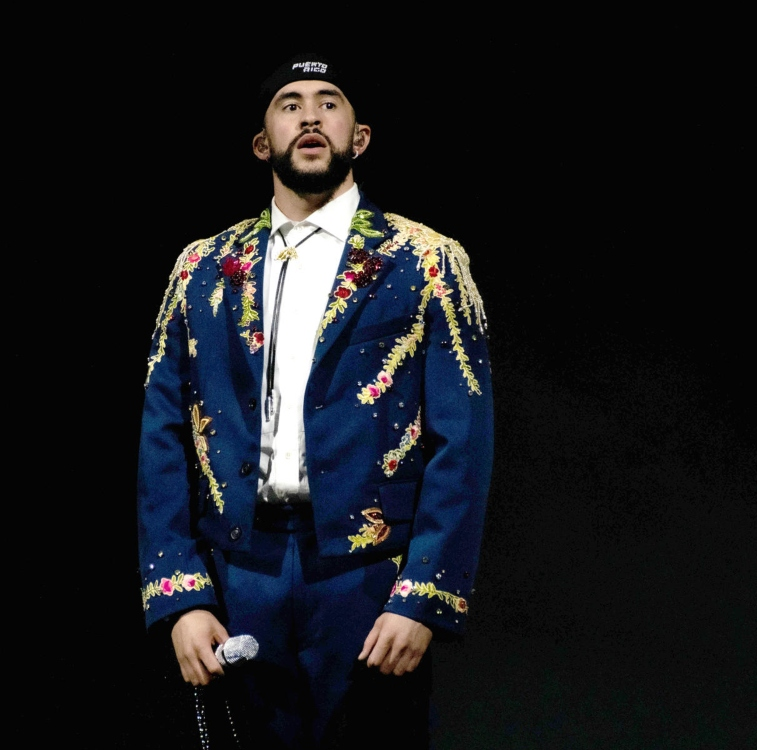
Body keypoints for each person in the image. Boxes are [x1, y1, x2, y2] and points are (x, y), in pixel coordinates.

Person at [137, 52, 494, 749]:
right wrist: (181, 594)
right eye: (290, 104)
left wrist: (422, 596)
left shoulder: (424, 260)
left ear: (359, 137)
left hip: (368, 576)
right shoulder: (202, 268)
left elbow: (464, 438)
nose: (310, 116)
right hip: (238, 571)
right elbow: (162, 433)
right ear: (261, 142)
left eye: (329, 102)